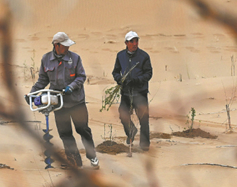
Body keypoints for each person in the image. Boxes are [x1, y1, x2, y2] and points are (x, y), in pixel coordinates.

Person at [27, 32, 99, 169]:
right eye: (65, 46)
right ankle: (74, 161)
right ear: (56, 45)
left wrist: (71, 87)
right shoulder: (46, 59)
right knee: (65, 134)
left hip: (77, 102)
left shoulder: (75, 58)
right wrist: (31, 95)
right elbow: (42, 80)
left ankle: (93, 157)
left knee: (83, 130)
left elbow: (81, 77)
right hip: (59, 104)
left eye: (68, 45)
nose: (67, 48)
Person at [112, 31, 153, 151]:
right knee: (123, 114)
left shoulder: (144, 56)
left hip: (140, 92)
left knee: (143, 118)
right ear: (126, 43)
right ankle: (131, 131)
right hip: (126, 92)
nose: (134, 44)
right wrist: (119, 79)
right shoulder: (120, 56)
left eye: (136, 41)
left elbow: (148, 73)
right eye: (131, 41)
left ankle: (145, 144)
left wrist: (136, 80)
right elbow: (115, 71)